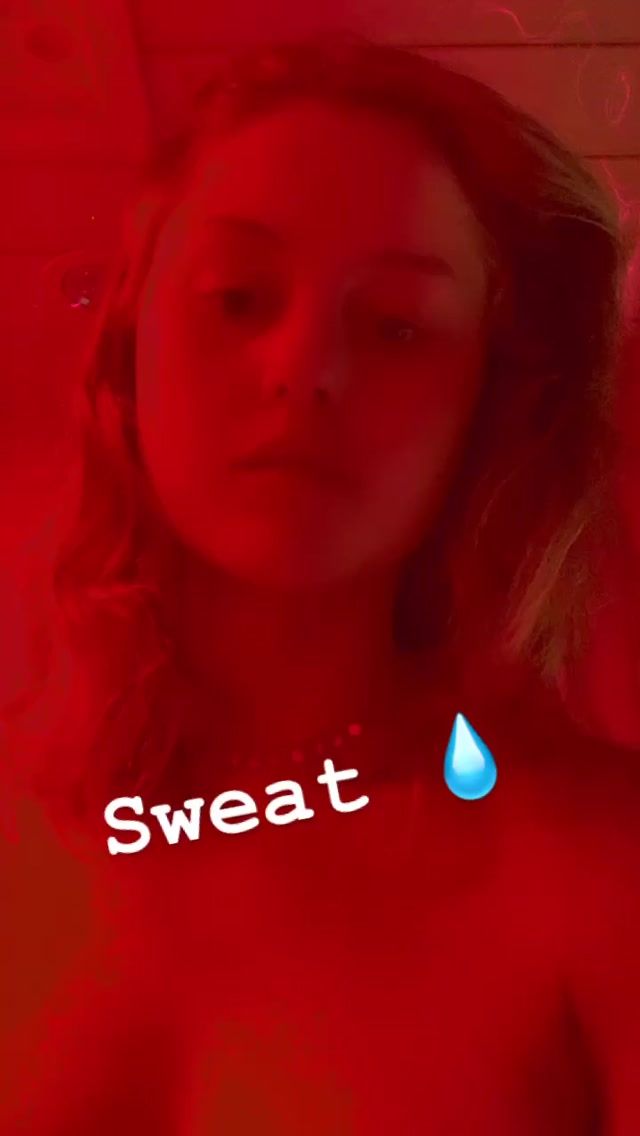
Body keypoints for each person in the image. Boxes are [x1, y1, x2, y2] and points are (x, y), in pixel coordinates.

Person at [1, 31, 640, 1135]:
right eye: (239, 297)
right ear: (129, 343)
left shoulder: (596, 873)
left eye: (395, 325)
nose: (302, 368)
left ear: (488, 402)